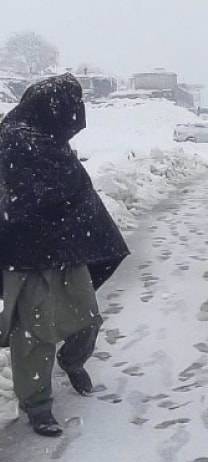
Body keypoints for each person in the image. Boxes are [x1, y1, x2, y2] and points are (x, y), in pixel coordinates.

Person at [0, 73, 129, 437]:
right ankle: (37, 404)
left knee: (87, 318)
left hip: (65, 249)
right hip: (22, 254)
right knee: (34, 333)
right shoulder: (12, 140)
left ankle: (72, 360)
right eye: (72, 112)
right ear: (53, 109)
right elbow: (17, 198)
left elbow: (75, 192)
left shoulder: (49, 139)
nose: (76, 121)